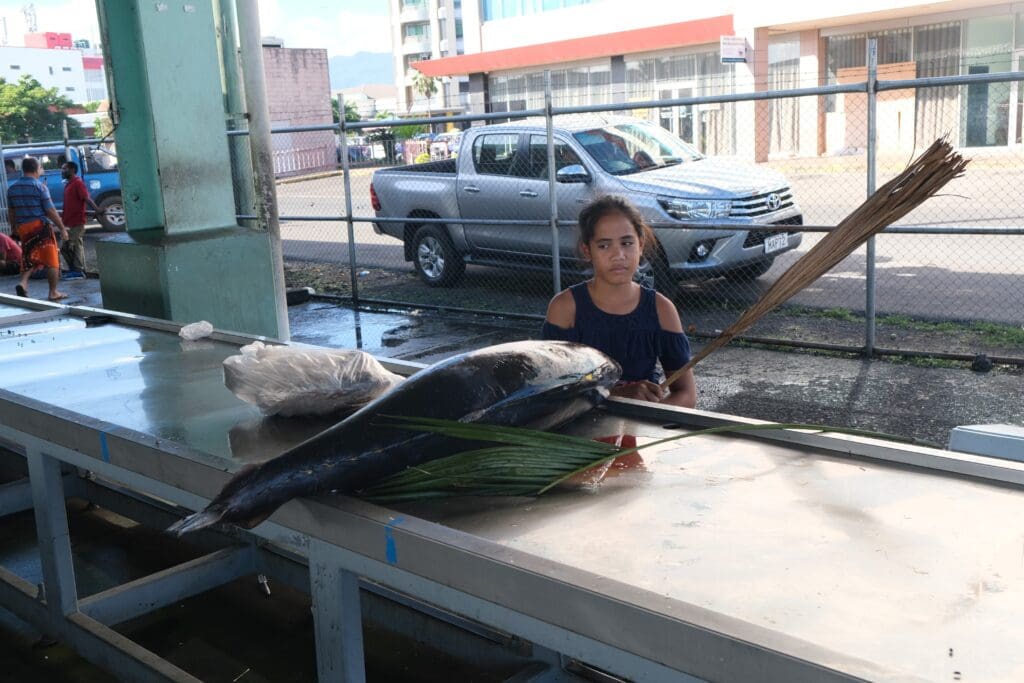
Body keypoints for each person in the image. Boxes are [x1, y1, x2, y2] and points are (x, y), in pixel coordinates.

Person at [542, 195, 697, 408]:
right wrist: (616, 395)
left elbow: (686, 394)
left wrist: (648, 413)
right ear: (587, 250)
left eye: (627, 243)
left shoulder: (661, 309)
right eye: (604, 246)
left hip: (641, 435)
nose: (618, 255)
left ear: (640, 245)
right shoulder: (565, 308)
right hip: (578, 432)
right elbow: (552, 393)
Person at [6, 156, 69, 301]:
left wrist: (14, 228)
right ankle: (53, 292)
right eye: (41, 168)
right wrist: (63, 228)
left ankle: (23, 283)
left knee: (29, 257)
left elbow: (11, 211)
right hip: (40, 227)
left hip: (23, 229)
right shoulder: (39, 187)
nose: (42, 170)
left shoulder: (12, 188)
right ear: (35, 169)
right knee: (52, 260)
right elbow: (50, 211)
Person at [60, 161, 103, 279]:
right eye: (62, 169)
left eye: (65, 169)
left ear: (72, 170)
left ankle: (79, 270)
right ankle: (74, 269)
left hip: (76, 222)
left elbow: (86, 198)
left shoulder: (78, 183)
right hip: (68, 222)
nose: (62, 171)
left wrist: (97, 209)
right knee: (65, 247)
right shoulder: (69, 184)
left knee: (75, 244)